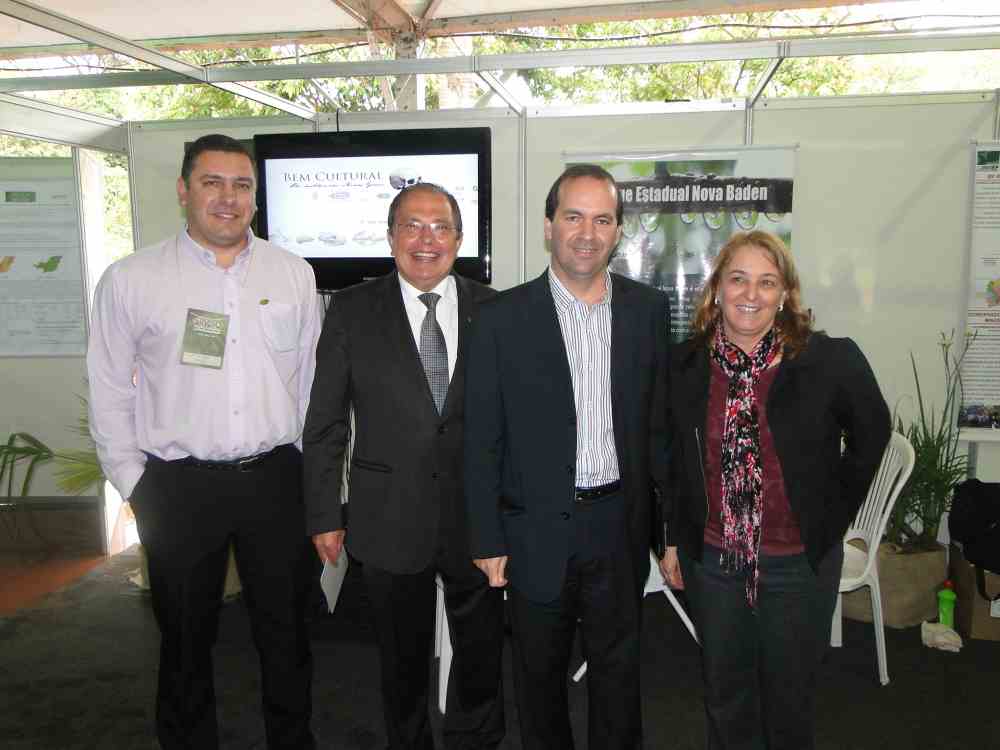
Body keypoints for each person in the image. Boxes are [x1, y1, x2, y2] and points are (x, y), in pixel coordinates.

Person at [87, 133, 321, 749]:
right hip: (178, 487)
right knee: (185, 642)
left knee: (287, 636)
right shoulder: (132, 279)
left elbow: (309, 382)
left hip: (276, 481)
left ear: (255, 197)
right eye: (212, 182)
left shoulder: (292, 273)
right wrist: (135, 484)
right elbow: (107, 389)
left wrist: (307, 469)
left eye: (242, 185)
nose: (228, 197)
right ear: (183, 190)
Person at [464, 164, 670, 750]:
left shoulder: (647, 311)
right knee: (538, 680)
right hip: (533, 529)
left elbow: (659, 429)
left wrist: (669, 532)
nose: (587, 232)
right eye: (573, 216)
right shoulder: (501, 318)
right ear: (548, 226)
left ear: (618, 231)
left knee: (619, 677)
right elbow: (481, 438)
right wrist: (486, 538)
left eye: (602, 220)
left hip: (618, 525)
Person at [659, 230, 890, 750]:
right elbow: (671, 460)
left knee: (789, 702)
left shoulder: (829, 360)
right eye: (738, 278)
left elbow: (872, 433)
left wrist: (831, 514)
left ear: (785, 293)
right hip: (715, 561)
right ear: (717, 288)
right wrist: (670, 537)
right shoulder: (685, 365)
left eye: (766, 282)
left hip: (797, 564)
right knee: (725, 696)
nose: (751, 294)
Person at [303, 183, 505, 750]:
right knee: (400, 657)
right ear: (391, 237)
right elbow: (326, 421)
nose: (426, 239)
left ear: (459, 239)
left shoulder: (496, 308)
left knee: (482, 649)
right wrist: (324, 513)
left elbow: (515, 421)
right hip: (387, 516)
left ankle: (475, 739)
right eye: (412, 226)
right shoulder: (351, 310)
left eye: (440, 227)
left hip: (477, 518)